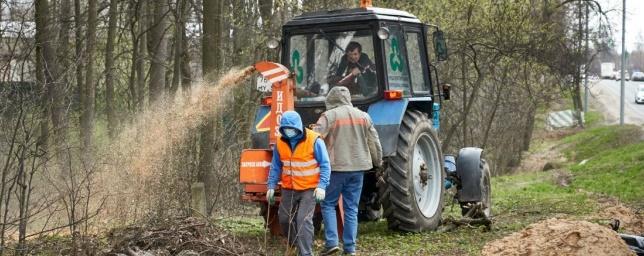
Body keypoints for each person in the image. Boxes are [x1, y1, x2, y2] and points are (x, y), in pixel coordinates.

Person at [315, 86, 383, 256]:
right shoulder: (364, 116)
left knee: (328, 204)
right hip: (358, 169)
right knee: (351, 208)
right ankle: (350, 248)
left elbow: (314, 139)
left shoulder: (329, 116)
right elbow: (374, 143)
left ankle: (331, 243)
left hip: (337, 168)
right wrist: (378, 162)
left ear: (331, 99)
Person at [266, 111, 331, 256]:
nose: (288, 131)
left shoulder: (314, 140)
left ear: (298, 127)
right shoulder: (280, 142)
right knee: (283, 218)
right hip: (289, 188)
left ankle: (306, 253)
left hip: (309, 188)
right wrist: (271, 186)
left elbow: (325, 165)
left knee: (303, 220)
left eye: (291, 128)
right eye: (285, 128)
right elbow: (276, 166)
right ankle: (294, 245)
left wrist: (322, 186)